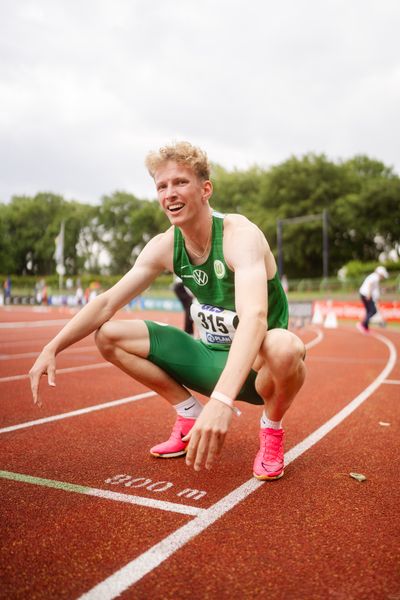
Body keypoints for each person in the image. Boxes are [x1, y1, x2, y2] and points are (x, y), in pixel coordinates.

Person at [29, 141, 306, 479]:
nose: (170, 193)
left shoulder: (240, 235)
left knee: (286, 346)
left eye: (180, 182)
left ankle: (271, 430)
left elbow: (255, 318)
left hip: (260, 368)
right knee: (110, 335)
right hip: (210, 357)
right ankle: (188, 412)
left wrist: (221, 401)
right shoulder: (164, 245)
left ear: (206, 189)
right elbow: (105, 303)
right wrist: (52, 346)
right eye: (162, 186)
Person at [357, 266, 389, 333]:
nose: (383, 277)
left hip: (365, 294)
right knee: (373, 310)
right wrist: (368, 294)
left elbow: (375, 289)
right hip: (366, 294)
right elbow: (370, 284)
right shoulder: (375, 277)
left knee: (369, 311)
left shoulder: (375, 277)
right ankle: (362, 324)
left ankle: (365, 327)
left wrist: (377, 297)